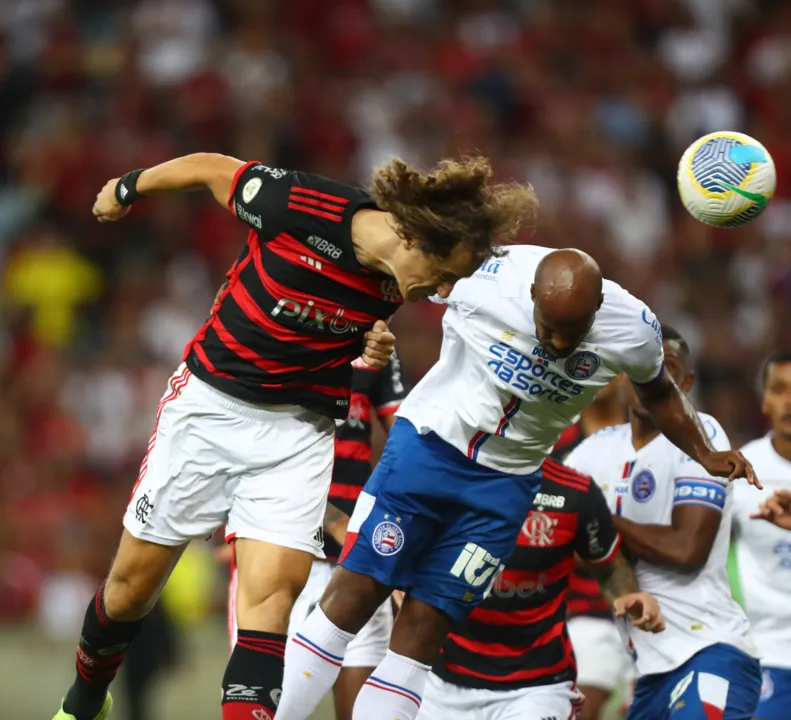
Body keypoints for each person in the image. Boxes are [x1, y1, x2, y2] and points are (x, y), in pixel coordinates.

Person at [55, 154, 539, 720]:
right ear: (413, 235)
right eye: (443, 272)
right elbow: (213, 169)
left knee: (272, 601)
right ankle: (85, 698)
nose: (443, 289)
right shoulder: (303, 204)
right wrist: (129, 187)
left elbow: (344, 327)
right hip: (209, 406)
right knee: (129, 591)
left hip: (299, 429)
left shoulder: (400, 283)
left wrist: (369, 348)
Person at [276, 247, 757, 720]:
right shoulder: (487, 277)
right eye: (548, 328)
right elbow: (405, 267)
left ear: (598, 309)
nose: (560, 345)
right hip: (430, 450)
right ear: (530, 294)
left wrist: (705, 451)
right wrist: (371, 330)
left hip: (505, 487)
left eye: (574, 333)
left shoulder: (633, 328)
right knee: (352, 597)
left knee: (421, 634)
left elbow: (659, 391)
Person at [565, 327, 762, 720]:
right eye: (641, 368)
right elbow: (556, 531)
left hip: (709, 651)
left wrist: (598, 522)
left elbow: (686, 549)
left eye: (667, 370)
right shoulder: (592, 453)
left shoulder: (701, 437)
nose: (651, 380)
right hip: (649, 673)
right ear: (623, 375)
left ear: (685, 383)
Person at [227, 352, 409, 720]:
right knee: (265, 708)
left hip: (353, 566)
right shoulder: (279, 337)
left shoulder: (376, 344)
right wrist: (334, 521)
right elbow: (250, 446)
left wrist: (406, 544)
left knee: (363, 712)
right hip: (282, 552)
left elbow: (408, 442)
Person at [417, 456, 665, 719]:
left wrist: (629, 596)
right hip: (444, 683)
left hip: (538, 688)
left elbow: (609, 567)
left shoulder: (575, 493)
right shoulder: (448, 478)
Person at [552, 381, 634, 720]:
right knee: (585, 706)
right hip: (582, 610)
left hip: (656, 608)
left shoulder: (654, 440)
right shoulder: (554, 445)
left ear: (627, 374)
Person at [728, 352, 791, 720]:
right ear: (764, 400)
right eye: (780, 390)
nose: (790, 401)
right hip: (766, 651)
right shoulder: (741, 473)